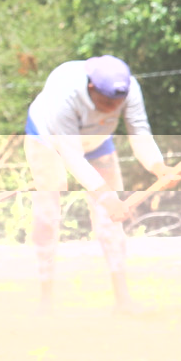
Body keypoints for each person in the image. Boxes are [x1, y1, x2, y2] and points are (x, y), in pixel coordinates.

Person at [23, 54, 169, 313]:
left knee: (111, 220)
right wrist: (108, 198)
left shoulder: (130, 89)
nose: (112, 108)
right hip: (48, 140)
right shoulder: (64, 91)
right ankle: (46, 298)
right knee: (47, 216)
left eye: (117, 103)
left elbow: (140, 132)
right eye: (105, 102)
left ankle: (122, 300)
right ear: (91, 87)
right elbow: (72, 157)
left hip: (97, 141)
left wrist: (159, 167)